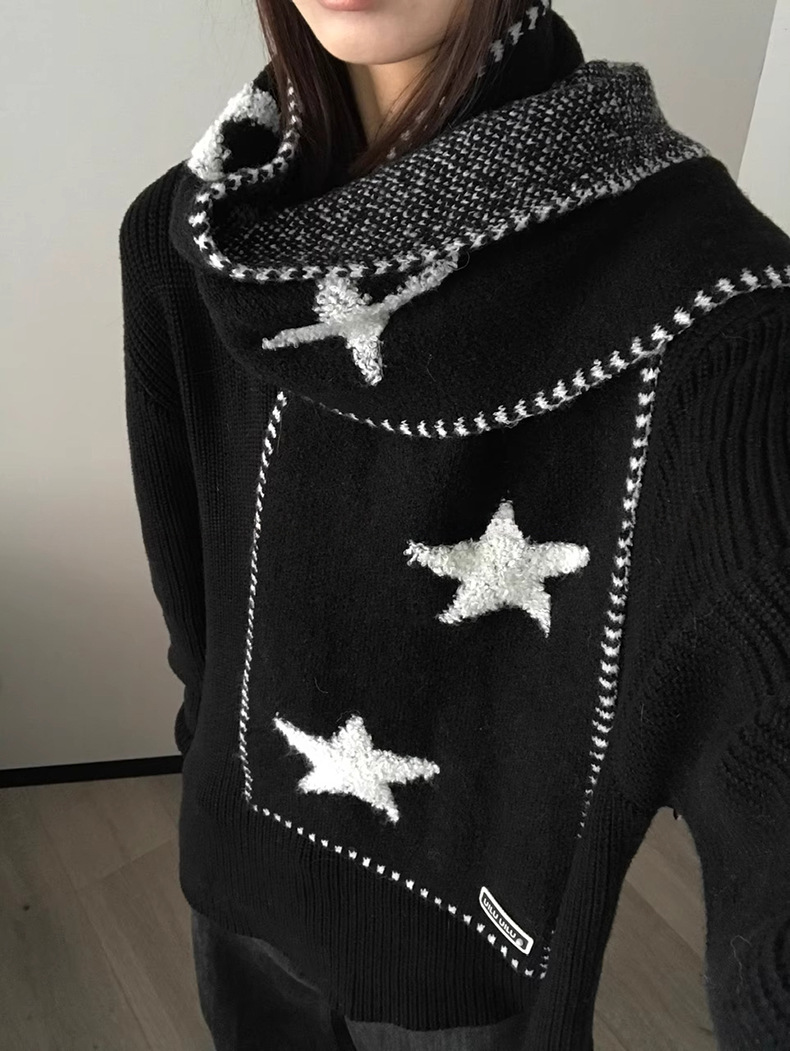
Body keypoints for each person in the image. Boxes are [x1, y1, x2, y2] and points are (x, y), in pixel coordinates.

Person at [120, 0, 790, 1048]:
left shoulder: (722, 325)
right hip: (233, 869)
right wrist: (205, 770)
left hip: (465, 972)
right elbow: (194, 608)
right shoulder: (189, 239)